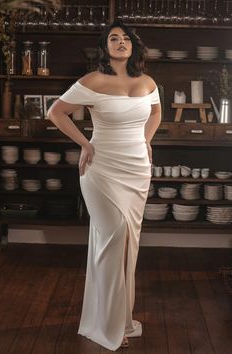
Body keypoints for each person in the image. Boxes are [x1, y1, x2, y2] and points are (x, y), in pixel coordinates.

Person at [48, 20, 161, 351]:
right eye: (114, 38)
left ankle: (120, 319)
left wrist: (146, 140)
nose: (121, 42)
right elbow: (57, 113)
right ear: (105, 47)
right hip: (101, 169)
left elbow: (155, 113)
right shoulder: (93, 80)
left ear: (133, 46)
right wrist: (85, 144)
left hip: (137, 169)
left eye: (126, 38)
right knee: (113, 240)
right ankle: (108, 324)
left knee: (129, 245)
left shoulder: (148, 81)